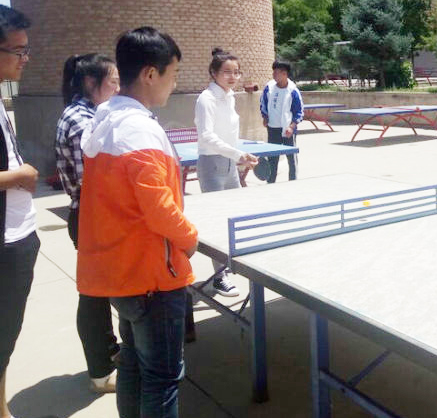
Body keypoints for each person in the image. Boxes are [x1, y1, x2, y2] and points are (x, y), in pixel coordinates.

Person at [78, 26, 198, 418]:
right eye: (173, 74)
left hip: (122, 271)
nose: (174, 84)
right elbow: (159, 208)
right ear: (150, 74)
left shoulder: (106, 119)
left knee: (131, 362)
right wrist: (190, 238)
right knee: (162, 379)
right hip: (151, 276)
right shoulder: (139, 130)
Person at [54, 53, 121, 393]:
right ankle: (101, 372)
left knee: (99, 291)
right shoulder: (83, 120)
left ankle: (108, 354)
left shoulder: (90, 113)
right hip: (93, 217)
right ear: (92, 83)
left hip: (93, 216)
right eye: (113, 82)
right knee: (94, 295)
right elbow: (95, 182)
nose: (119, 88)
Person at [0, 5, 39, 418]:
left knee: (5, 337)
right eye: (18, 51)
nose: (25, 59)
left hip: (18, 234)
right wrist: (18, 175)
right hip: (6, 244)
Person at [194, 47, 257, 297]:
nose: (233, 77)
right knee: (217, 220)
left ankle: (230, 266)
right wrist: (237, 154)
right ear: (214, 73)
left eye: (236, 72)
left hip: (229, 163)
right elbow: (206, 136)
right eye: (227, 72)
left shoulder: (229, 96)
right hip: (211, 163)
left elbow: (228, 134)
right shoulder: (206, 99)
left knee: (235, 215)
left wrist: (240, 156)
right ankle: (219, 277)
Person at [260, 61, 303, 183]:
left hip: (287, 130)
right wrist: (265, 117)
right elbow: (263, 104)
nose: (273, 75)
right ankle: (271, 182)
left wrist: (291, 127)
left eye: (276, 72)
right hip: (273, 129)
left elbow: (299, 111)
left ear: (284, 74)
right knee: (272, 158)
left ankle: (293, 182)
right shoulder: (269, 88)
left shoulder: (293, 90)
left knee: (291, 158)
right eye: (273, 72)